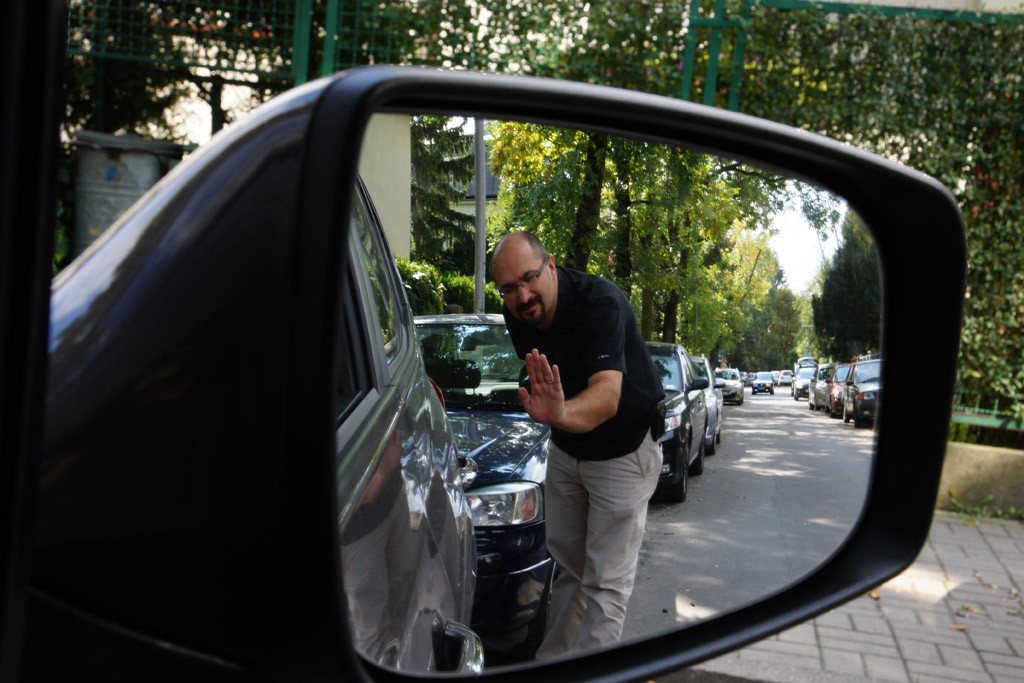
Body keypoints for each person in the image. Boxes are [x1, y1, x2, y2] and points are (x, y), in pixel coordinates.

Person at [489, 231, 665, 659]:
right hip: (568, 450)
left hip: (624, 450)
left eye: (530, 278)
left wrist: (559, 414)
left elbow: (607, 398)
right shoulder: (519, 312)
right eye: (509, 288)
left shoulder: (599, 303)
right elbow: (545, 379)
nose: (523, 295)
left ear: (551, 265)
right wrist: (556, 415)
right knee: (569, 571)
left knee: (605, 583)